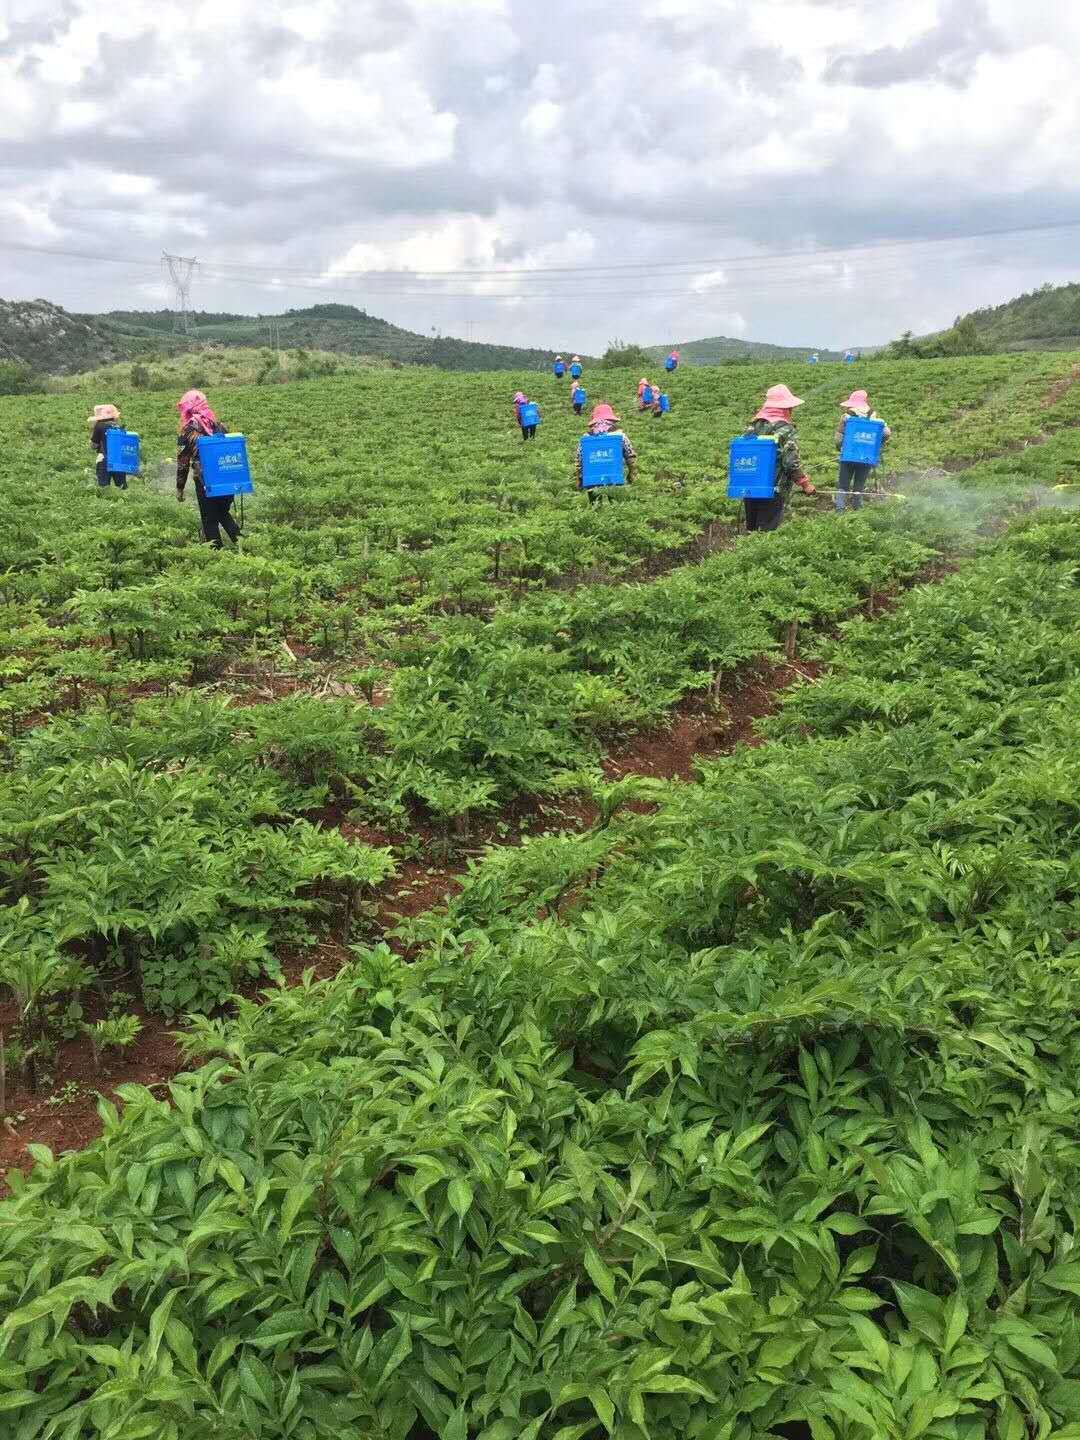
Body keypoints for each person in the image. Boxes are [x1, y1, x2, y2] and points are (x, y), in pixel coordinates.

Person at [742, 383, 815, 532]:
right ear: (786, 408)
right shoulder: (786, 429)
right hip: (773, 487)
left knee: (752, 529)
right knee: (766, 532)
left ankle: (747, 553)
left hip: (751, 484)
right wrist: (805, 483)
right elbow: (790, 462)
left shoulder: (752, 426)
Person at [175, 389, 241, 548]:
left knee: (209, 519)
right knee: (222, 513)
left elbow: (183, 461)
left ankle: (215, 557)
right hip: (226, 477)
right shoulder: (220, 426)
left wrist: (180, 487)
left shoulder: (188, 430)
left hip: (206, 480)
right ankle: (244, 546)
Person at [834, 389, 891, 513]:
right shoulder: (874, 417)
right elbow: (886, 433)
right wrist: (878, 443)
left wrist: (840, 448)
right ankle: (857, 510)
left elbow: (838, 438)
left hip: (849, 455)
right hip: (866, 456)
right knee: (859, 484)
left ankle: (839, 510)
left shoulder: (846, 417)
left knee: (843, 483)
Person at [576, 402, 636, 505]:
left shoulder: (586, 437)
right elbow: (630, 455)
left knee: (595, 506)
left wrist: (579, 478)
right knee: (616, 505)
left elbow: (579, 460)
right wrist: (632, 473)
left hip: (592, 478)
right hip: (614, 476)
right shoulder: (620, 436)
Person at [88, 403, 127, 490]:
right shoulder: (119, 427)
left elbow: (94, 445)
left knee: (104, 489)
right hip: (119, 461)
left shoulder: (99, 426)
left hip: (104, 460)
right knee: (122, 488)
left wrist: (92, 431)